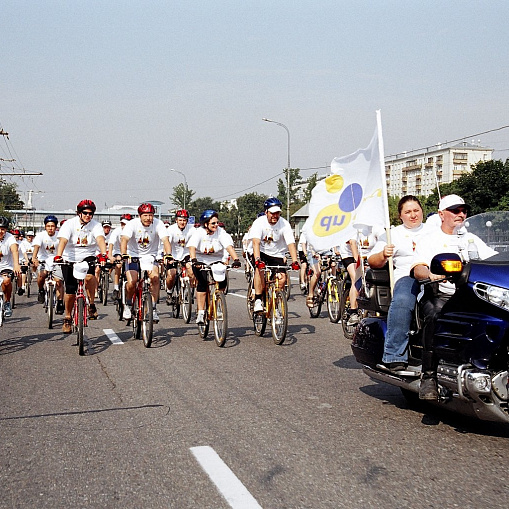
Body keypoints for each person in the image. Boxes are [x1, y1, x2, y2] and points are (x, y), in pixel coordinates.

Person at [411, 194, 497, 400]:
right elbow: (418, 268)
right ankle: (429, 377)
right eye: (455, 210)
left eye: (464, 210)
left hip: (472, 296)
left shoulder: (472, 239)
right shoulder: (430, 239)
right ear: (441, 214)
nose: (461, 214)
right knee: (434, 315)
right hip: (440, 294)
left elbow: (493, 259)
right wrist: (430, 274)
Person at [368, 195, 428, 372]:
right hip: (407, 276)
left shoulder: (433, 229)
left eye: (416, 210)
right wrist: (383, 255)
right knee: (402, 301)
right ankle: (394, 354)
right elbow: (372, 261)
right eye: (407, 212)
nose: (413, 215)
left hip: (435, 275)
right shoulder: (392, 234)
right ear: (400, 216)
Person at [54, 200, 108, 333]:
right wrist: (59, 255)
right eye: (85, 213)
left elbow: (100, 239)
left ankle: (91, 304)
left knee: (90, 277)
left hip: (87, 257)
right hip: (70, 258)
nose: (88, 216)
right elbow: (63, 240)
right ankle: (67, 318)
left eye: (91, 213)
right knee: (70, 290)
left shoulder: (95, 225)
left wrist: (103, 254)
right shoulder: (69, 224)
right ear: (79, 213)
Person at [120, 202, 172, 323]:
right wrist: (124, 254)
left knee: (155, 278)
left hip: (150, 255)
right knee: (132, 282)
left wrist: (168, 254)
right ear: (140, 215)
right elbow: (124, 240)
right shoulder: (132, 224)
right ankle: (128, 304)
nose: (148, 218)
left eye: (150, 215)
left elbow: (165, 240)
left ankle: (153, 308)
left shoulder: (158, 224)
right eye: (145, 215)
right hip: (133, 254)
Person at [187, 210, 241, 324]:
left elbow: (228, 246)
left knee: (222, 282)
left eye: (217, 223)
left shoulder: (220, 232)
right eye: (213, 223)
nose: (216, 225)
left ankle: (217, 302)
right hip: (200, 260)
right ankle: (201, 312)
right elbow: (192, 247)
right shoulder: (199, 232)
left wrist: (236, 259)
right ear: (206, 224)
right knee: (202, 283)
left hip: (216, 260)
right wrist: (194, 260)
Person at [250, 198, 299, 313]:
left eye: (277, 213)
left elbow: (291, 244)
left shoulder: (284, 224)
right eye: (272, 213)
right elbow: (256, 242)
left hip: (277, 254)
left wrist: (295, 261)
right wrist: (257, 259)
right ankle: (258, 299)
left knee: (282, 279)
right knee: (259, 270)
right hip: (261, 252)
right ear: (266, 212)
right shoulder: (259, 222)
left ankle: (276, 304)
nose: (275, 216)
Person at [340, 224, 383, 324]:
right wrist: (357, 261)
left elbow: (383, 240)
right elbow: (353, 243)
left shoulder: (376, 226)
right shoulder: (355, 226)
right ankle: (353, 311)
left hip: (369, 255)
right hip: (350, 254)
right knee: (357, 277)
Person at [32, 215, 65, 314]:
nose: (50, 228)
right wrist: (34, 258)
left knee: (59, 281)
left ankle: (60, 302)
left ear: (56, 227)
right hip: (44, 260)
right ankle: (41, 290)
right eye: (48, 226)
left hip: (57, 261)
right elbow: (37, 247)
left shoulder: (60, 236)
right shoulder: (41, 235)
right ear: (45, 227)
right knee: (41, 276)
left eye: (52, 226)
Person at [165, 209, 195, 303]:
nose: (182, 222)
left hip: (186, 254)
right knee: (171, 275)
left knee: (191, 273)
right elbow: (167, 244)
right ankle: (169, 292)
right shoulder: (171, 229)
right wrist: (167, 256)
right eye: (180, 220)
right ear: (176, 220)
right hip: (173, 254)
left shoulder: (192, 229)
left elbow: (195, 243)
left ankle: (187, 292)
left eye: (184, 220)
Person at [108, 213, 132, 300]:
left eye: (125, 224)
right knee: (118, 265)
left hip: (130, 252)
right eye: (122, 224)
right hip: (118, 252)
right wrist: (110, 255)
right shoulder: (117, 231)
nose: (123, 226)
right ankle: (116, 288)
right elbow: (111, 243)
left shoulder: (134, 231)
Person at [0, 216, 21, 317]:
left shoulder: (10, 238)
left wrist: (16, 264)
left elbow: (14, 250)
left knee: (6, 281)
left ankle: (7, 302)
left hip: (6, 266)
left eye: (3, 229)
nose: (0, 231)